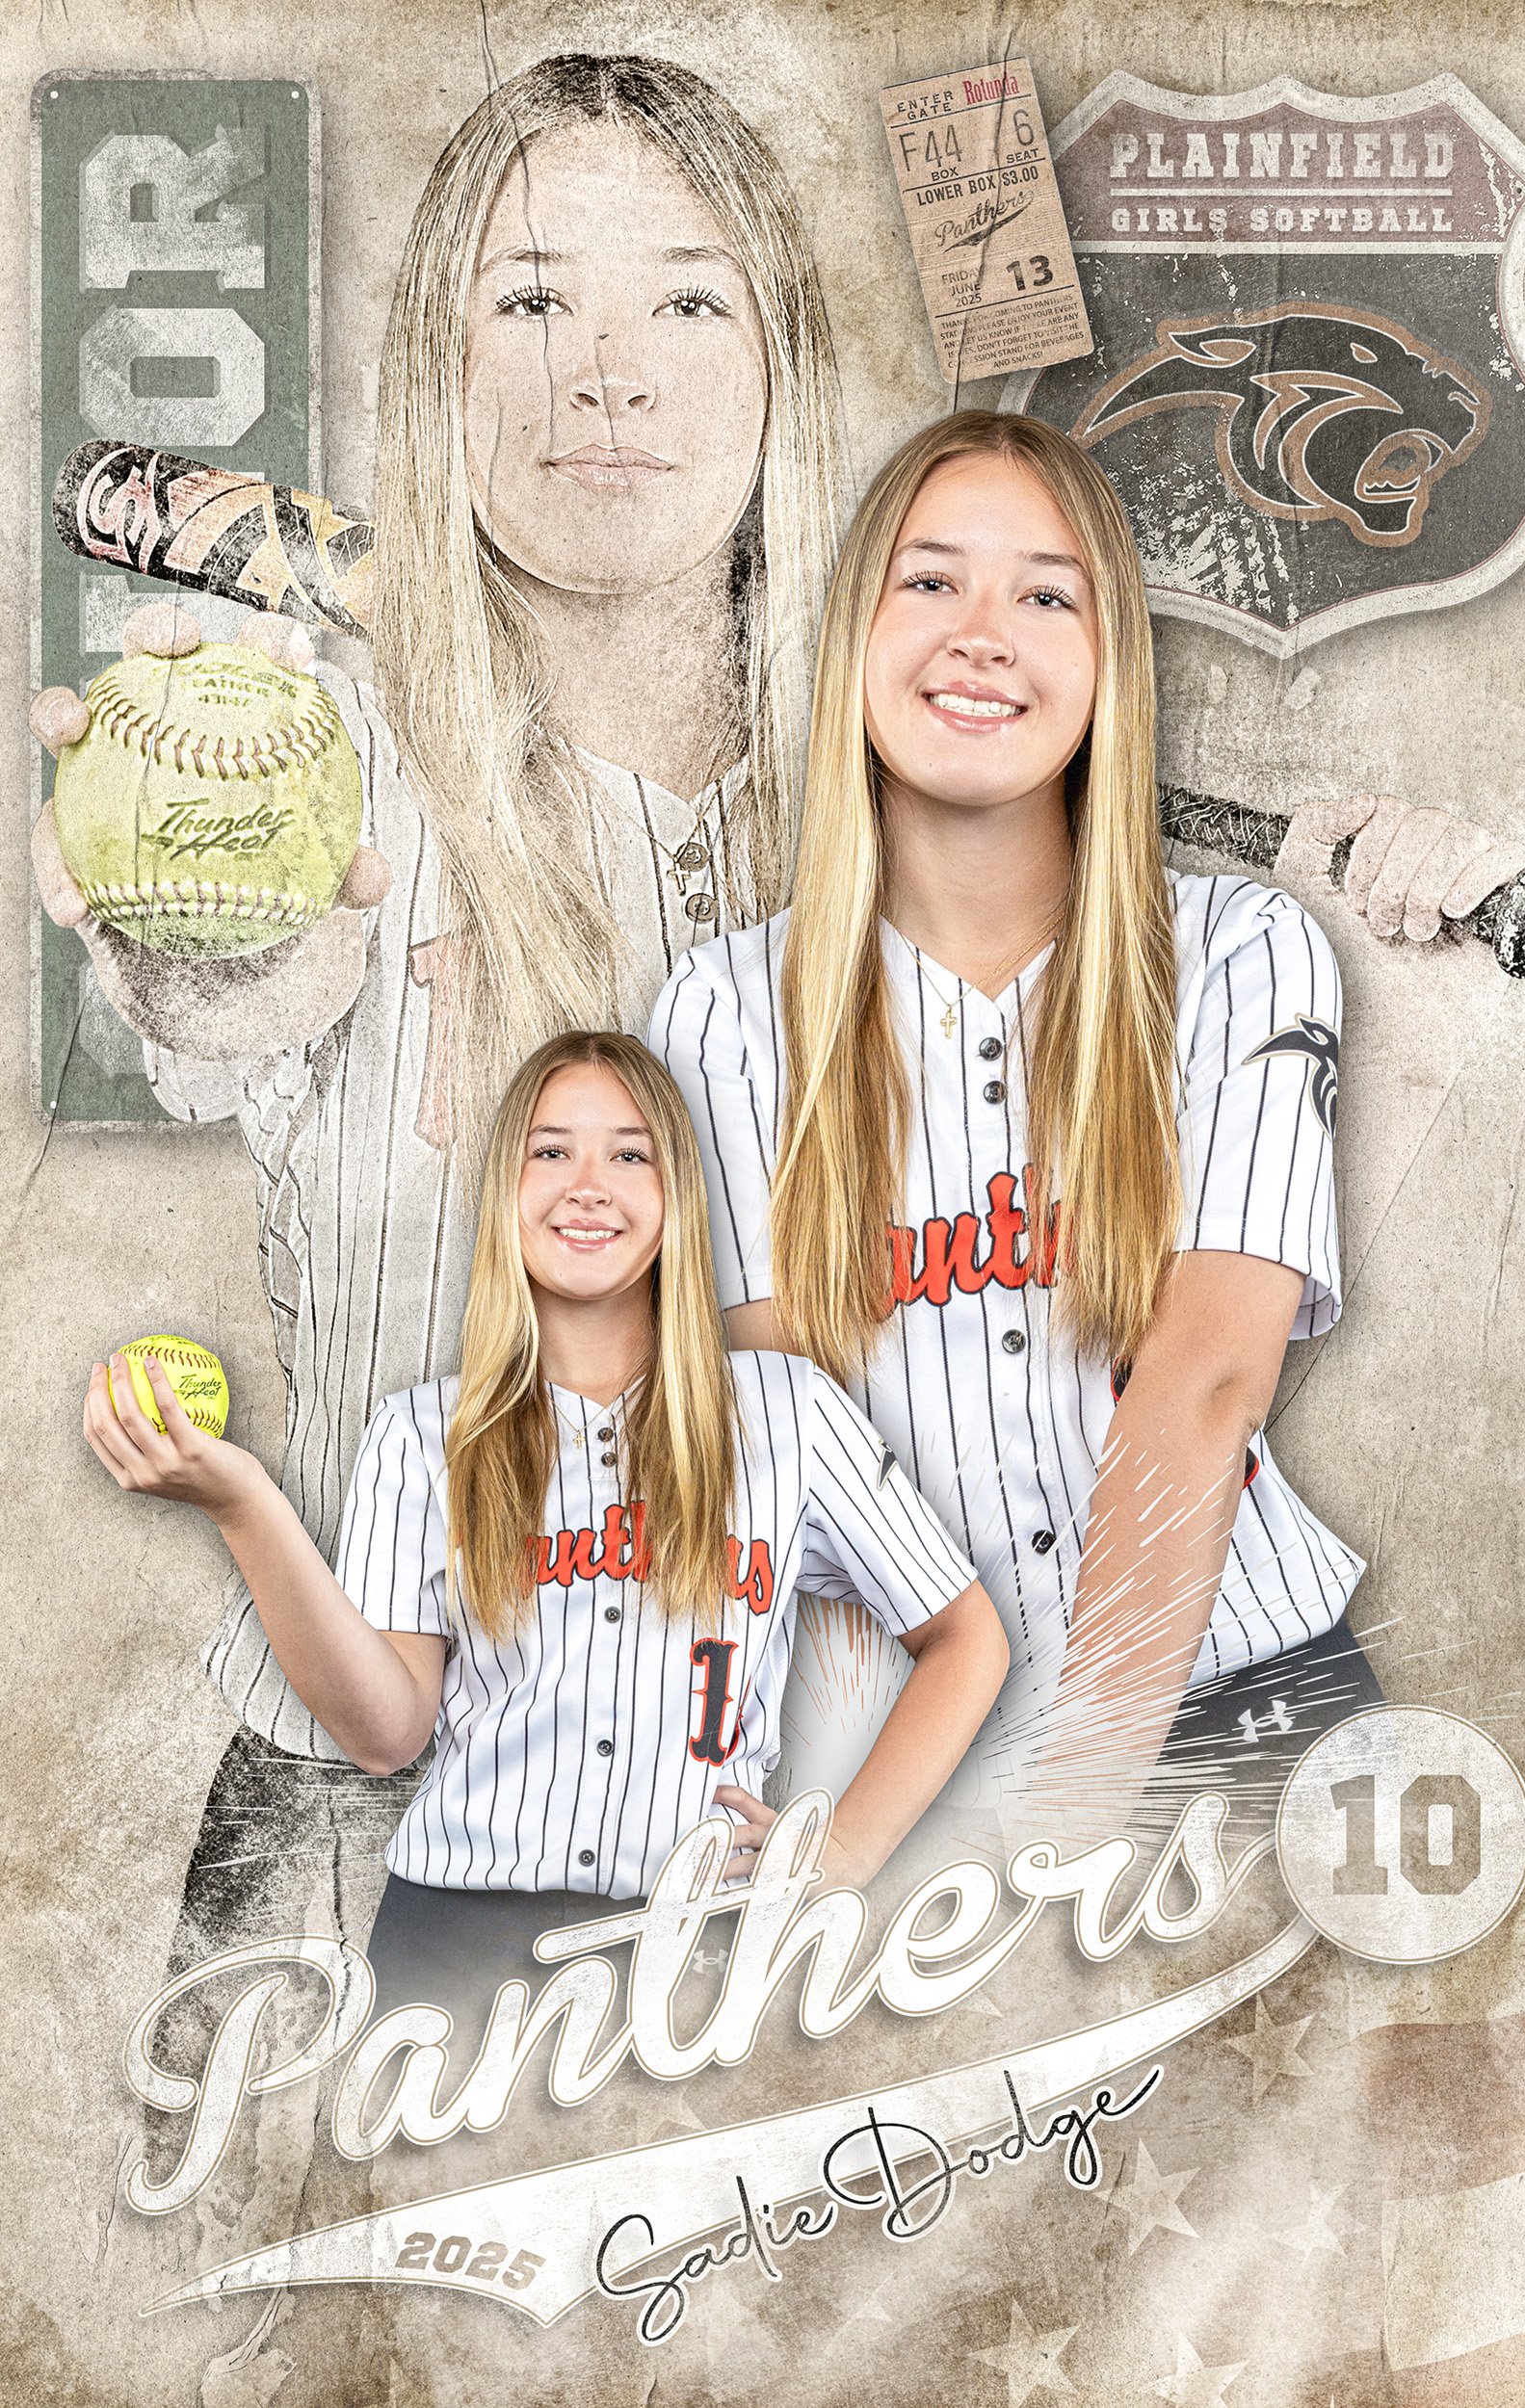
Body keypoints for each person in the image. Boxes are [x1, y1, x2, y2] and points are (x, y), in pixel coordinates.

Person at [31, 53, 844, 1968]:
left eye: (684, 295)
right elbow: (242, 989)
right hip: (353, 1814)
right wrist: (200, 930)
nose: (606, 369)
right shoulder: (316, 733)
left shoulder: (900, 816)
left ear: (771, 363)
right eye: (534, 296)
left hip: (770, 1807)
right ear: (443, 362)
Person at [651, 408, 1403, 1840]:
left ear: (1107, 664)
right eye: (929, 582)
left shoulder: (1242, 955)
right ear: (853, 642)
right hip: (912, 1773)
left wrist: (1054, 1827)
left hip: (1242, 1725)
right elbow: (784, 1482)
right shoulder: (721, 1013)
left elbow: (1200, 1393)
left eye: (1045, 594)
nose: (981, 633)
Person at [81, 1033, 1009, 2026]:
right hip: (456, 1946)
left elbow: (966, 1638)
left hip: (702, 1944)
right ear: (505, 1191)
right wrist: (245, 1506)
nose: (588, 1184)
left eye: (628, 1152)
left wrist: (843, 1854)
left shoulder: (786, 1414)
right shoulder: (420, 1435)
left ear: (676, 1194)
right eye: (550, 1150)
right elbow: (387, 1731)